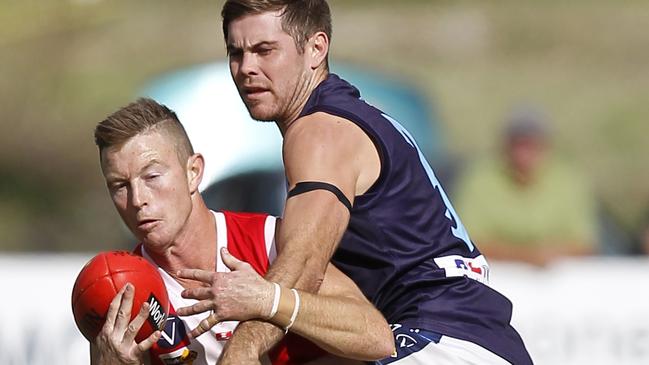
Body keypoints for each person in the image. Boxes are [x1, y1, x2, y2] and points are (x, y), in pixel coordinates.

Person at [196, 1, 533, 364]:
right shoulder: (351, 117)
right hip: (471, 337)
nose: (247, 68)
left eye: (265, 50)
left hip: (442, 336)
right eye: (236, 53)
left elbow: (304, 262)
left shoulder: (319, 130)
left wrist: (242, 349)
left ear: (316, 48)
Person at [90, 98, 394, 365]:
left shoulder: (265, 241)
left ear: (193, 172)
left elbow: (376, 337)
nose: (137, 199)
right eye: (119, 185)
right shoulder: (123, 291)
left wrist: (267, 300)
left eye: (152, 176)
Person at [454, 106, 598, 266]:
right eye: (518, 145)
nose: (523, 154)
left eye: (530, 145)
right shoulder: (480, 179)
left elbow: (584, 245)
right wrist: (527, 256)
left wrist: (538, 255)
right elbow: (467, 242)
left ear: (546, 146)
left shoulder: (568, 180)